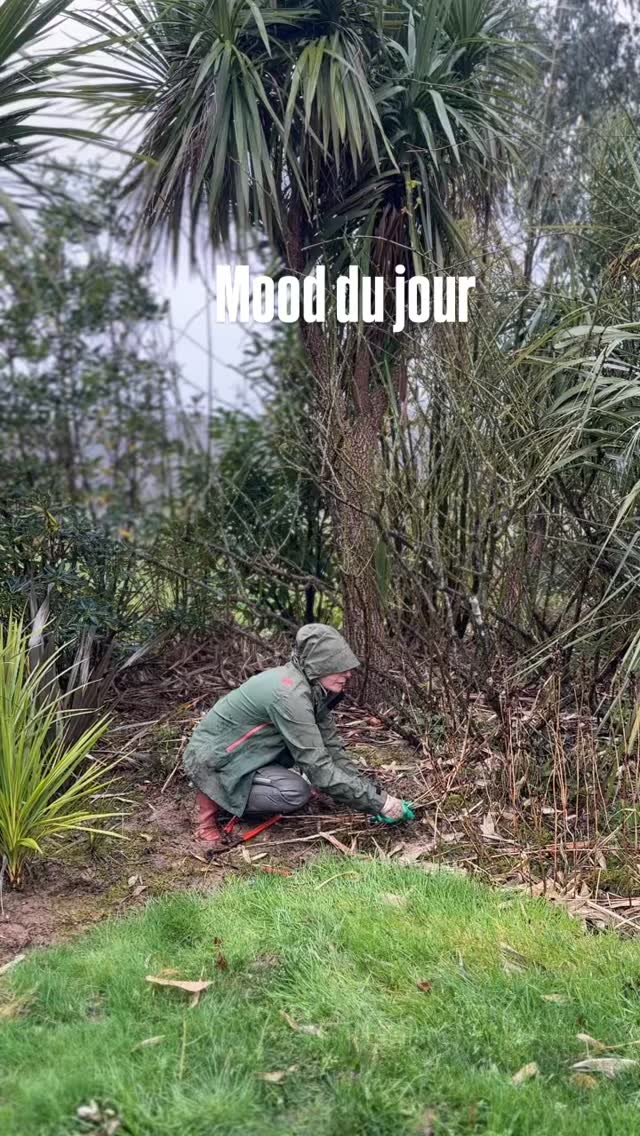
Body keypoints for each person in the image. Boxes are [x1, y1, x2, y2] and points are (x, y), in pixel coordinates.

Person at [183, 623, 414, 846]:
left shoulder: (312, 690)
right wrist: (381, 804)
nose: (349, 674)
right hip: (216, 761)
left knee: (306, 784)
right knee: (294, 792)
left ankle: (235, 798)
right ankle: (208, 814)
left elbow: (332, 749)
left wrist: (374, 795)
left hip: (248, 756)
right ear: (318, 664)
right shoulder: (289, 695)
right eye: (340, 666)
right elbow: (318, 767)